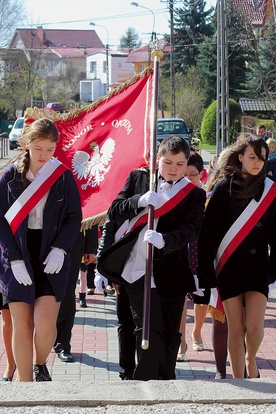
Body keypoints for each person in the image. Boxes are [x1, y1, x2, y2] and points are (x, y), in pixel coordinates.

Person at [98, 135, 206, 380]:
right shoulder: (139, 178)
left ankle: (166, 379)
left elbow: (192, 230)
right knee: (146, 328)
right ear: (158, 159)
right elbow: (114, 211)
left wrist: (165, 239)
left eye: (180, 164)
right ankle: (142, 381)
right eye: (168, 162)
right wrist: (139, 201)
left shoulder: (194, 194)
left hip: (171, 271)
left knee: (170, 332)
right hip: (136, 267)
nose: (173, 169)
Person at [0, 118, 82, 381]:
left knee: (45, 322)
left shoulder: (63, 176)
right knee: (22, 324)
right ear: (26, 145)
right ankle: (26, 385)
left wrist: (61, 249)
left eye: (49, 149)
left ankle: (40, 362)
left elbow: (74, 217)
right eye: (38, 148)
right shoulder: (10, 175)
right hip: (18, 252)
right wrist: (13, 259)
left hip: (51, 254)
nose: (44, 155)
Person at [198, 133, 276, 378]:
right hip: (228, 267)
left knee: (254, 328)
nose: (257, 162)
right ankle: (240, 380)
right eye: (252, 157)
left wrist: (273, 270)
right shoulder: (223, 187)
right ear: (240, 157)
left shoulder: (270, 191)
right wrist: (206, 274)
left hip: (257, 269)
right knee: (236, 328)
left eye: (262, 158)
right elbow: (208, 234)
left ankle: (250, 359)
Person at [96, 220, 136, 380]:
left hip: (147, 269)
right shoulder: (118, 206)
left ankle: (145, 367)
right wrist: (101, 267)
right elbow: (108, 234)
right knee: (125, 323)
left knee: (143, 323)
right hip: (121, 271)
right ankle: (127, 370)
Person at [54, 226, 98, 362]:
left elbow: (90, 209)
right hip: (41, 240)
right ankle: (43, 340)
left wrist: (90, 248)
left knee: (67, 295)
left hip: (71, 245)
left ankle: (63, 345)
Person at [184, 153, 210, 352]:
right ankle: (181, 341)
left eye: (192, 174)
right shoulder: (174, 195)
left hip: (202, 253)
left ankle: (197, 331)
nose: (188, 178)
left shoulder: (207, 197)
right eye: (185, 174)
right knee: (180, 299)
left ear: (201, 174)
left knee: (202, 299)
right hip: (181, 253)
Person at [0, 293, 17, 381]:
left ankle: (23, 370)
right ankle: (10, 365)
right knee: (7, 324)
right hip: (6, 280)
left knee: (26, 323)